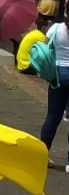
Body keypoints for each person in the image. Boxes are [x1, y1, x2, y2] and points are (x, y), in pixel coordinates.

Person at [40, 16, 69, 171]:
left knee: (52, 117)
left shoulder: (56, 28)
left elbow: (46, 45)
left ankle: (42, 155)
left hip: (57, 75)